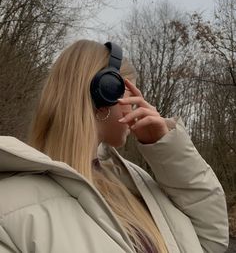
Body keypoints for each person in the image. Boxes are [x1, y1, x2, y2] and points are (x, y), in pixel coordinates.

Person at [0, 40, 228, 253]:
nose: (141, 104)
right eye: (132, 93)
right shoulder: (8, 205)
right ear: (105, 94)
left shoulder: (134, 180)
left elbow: (211, 240)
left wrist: (166, 147)